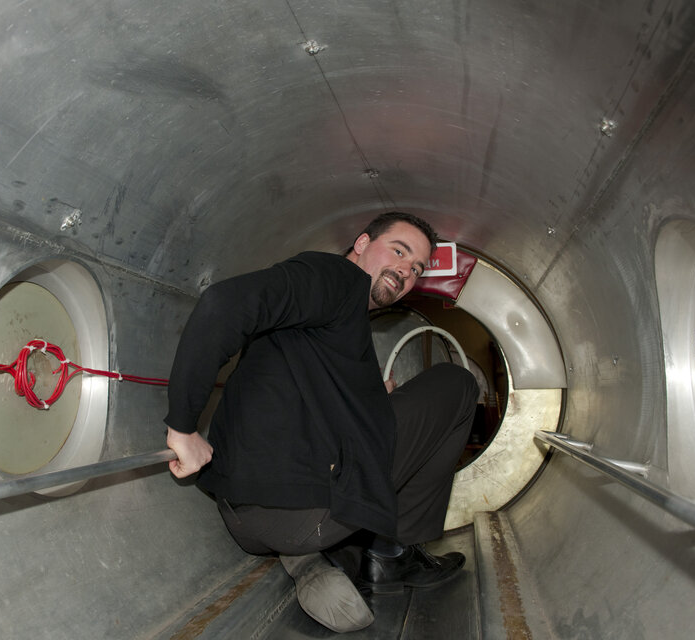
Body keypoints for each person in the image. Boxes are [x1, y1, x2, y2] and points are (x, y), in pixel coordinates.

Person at [164, 211, 479, 633]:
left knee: (375, 430)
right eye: (399, 251)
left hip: (244, 518)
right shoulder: (334, 277)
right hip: (301, 513)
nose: (406, 270)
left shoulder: (327, 325)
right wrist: (182, 427)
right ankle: (392, 553)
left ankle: (313, 562)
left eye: (417, 269)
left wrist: (371, 404)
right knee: (457, 383)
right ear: (362, 244)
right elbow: (224, 303)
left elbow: (316, 405)